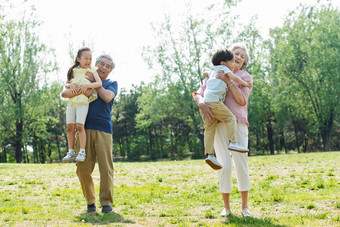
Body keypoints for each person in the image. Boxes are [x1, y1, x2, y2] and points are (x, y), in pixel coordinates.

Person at [193, 43, 253, 218]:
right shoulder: (214, 73)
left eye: (242, 55)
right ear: (228, 58)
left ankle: (245, 207)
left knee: (241, 164)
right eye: (236, 53)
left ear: (244, 62)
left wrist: (229, 81)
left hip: (238, 124)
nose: (239, 57)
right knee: (224, 166)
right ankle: (226, 208)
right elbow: (199, 92)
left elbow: (242, 101)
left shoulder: (245, 76)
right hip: (218, 123)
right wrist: (202, 104)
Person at [61, 54, 118, 213]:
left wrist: (94, 83)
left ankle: (106, 203)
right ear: (95, 65)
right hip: (83, 130)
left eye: (108, 66)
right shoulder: (82, 80)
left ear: (110, 71)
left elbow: (106, 97)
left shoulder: (111, 83)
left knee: (106, 169)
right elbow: (67, 94)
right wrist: (74, 86)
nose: (104, 67)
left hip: (104, 130)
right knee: (82, 168)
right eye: (101, 64)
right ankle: (91, 201)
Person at [201, 49, 251, 170]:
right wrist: (245, 84)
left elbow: (206, 73)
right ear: (224, 63)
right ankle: (233, 142)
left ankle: (210, 155)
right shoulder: (225, 69)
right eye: (232, 61)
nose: (234, 63)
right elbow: (236, 79)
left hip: (207, 102)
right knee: (230, 118)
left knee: (209, 129)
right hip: (215, 101)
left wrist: (206, 74)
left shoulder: (214, 71)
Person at [62, 47, 102, 163]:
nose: (88, 61)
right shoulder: (73, 70)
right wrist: (71, 86)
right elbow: (67, 84)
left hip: (83, 101)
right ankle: (70, 151)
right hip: (72, 101)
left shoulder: (92, 70)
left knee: (80, 126)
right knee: (70, 127)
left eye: (90, 58)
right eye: (86, 58)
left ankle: (82, 152)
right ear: (78, 59)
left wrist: (88, 86)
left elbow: (99, 83)